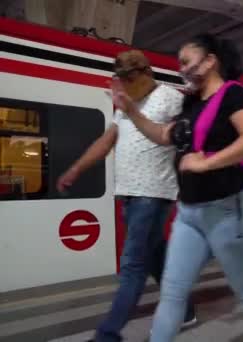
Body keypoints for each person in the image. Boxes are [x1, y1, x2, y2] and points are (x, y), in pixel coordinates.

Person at [109, 34, 243, 342]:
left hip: (226, 209)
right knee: (173, 292)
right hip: (188, 214)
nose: (182, 69)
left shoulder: (234, 96)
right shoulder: (191, 102)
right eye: (181, 64)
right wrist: (131, 111)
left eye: (187, 62)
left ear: (210, 61)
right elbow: (164, 135)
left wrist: (206, 163)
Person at [57, 50, 196, 342]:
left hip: (154, 192)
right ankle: (185, 310)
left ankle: (107, 334)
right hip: (129, 194)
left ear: (147, 72)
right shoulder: (125, 103)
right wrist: (76, 169)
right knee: (156, 256)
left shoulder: (170, 97)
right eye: (122, 79)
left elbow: (185, 137)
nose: (126, 85)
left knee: (133, 265)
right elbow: (107, 140)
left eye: (131, 79)